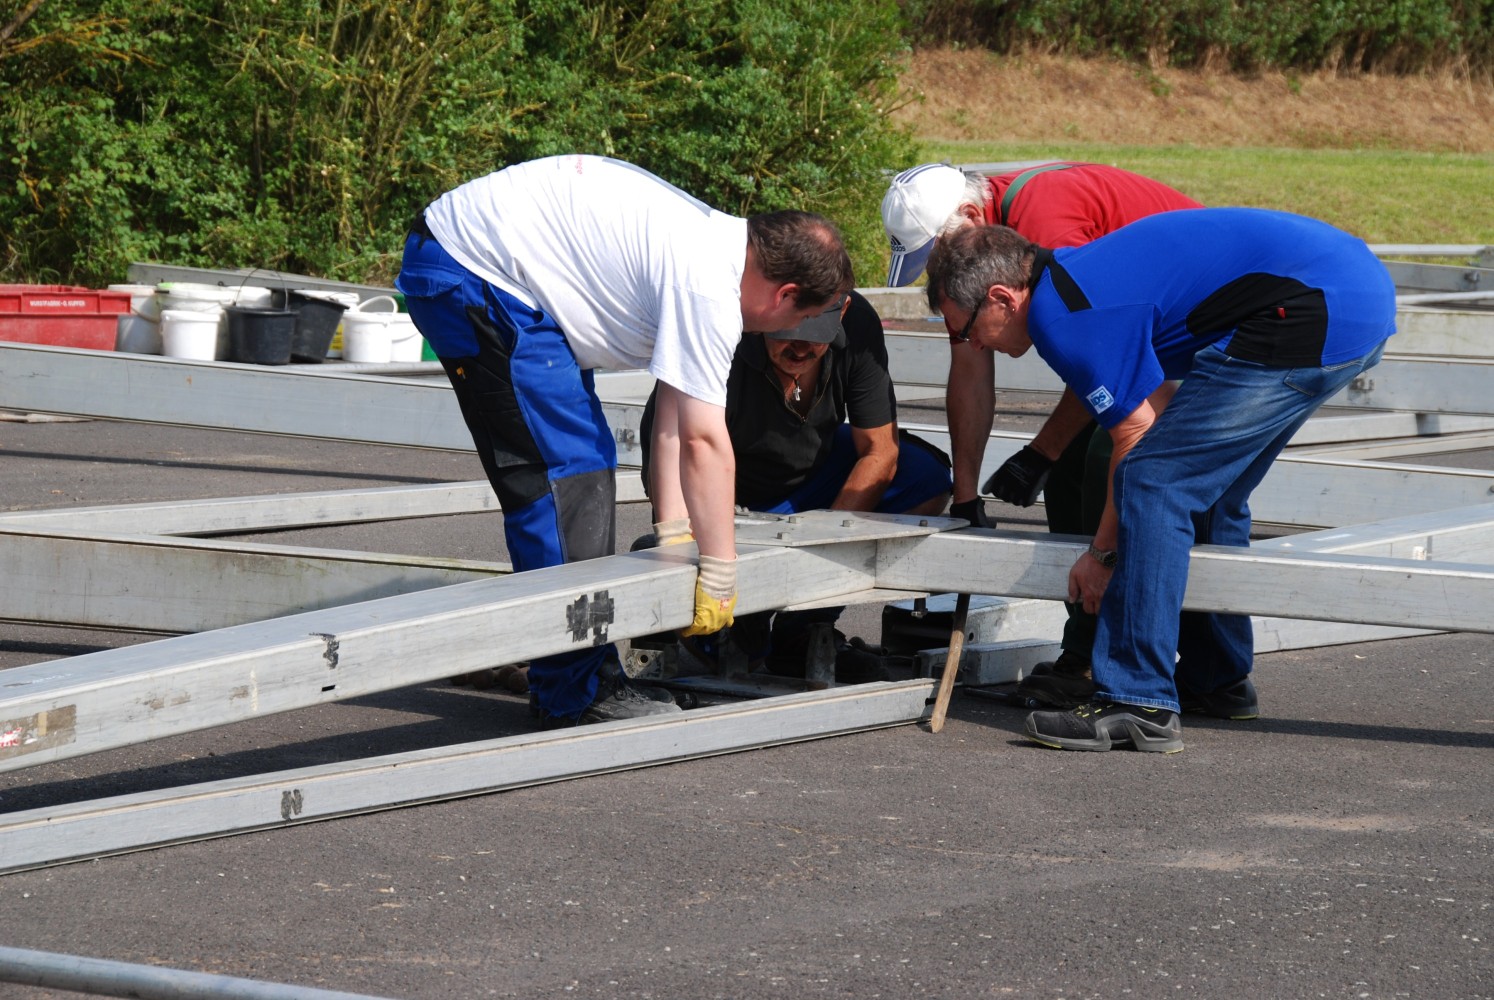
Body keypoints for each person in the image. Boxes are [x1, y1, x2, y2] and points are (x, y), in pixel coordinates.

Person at [396, 154, 852, 727]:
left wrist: (676, 531)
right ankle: (575, 690)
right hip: (473, 271)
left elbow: (673, 411)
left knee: (582, 461)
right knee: (567, 475)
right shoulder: (708, 289)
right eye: (793, 320)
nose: (783, 333)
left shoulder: (719, 248)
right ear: (783, 294)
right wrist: (720, 572)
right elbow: (703, 441)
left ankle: (572, 671)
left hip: (485, 264)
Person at [923, 208, 1396, 752]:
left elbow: (1136, 440)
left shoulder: (1061, 316)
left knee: (1154, 484)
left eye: (965, 329)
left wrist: (1102, 556)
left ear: (1003, 298)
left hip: (1313, 306)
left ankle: (1138, 698)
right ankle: (1216, 680)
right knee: (1207, 491)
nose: (973, 345)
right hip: (1351, 294)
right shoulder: (1073, 283)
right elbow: (1149, 402)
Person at [881, 161, 1202, 706]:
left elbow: (1100, 351)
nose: (938, 271)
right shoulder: (973, 265)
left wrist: (1042, 450)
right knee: (1072, 466)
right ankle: (1087, 647)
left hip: (1194, 321)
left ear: (970, 215)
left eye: (935, 255)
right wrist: (966, 496)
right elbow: (969, 370)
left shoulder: (1045, 222)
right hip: (1141, 332)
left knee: (1105, 460)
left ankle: (1110, 656)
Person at [640, 290, 953, 682]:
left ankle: (802, 631)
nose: (802, 348)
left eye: (816, 335)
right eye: (788, 334)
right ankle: (689, 578)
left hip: (810, 478)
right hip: (727, 494)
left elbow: (880, 451)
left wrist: (820, 550)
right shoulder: (720, 325)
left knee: (924, 479)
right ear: (766, 309)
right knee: (743, 655)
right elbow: (677, 455)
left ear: (842, 311)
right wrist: (681, 545)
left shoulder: (858, 325)